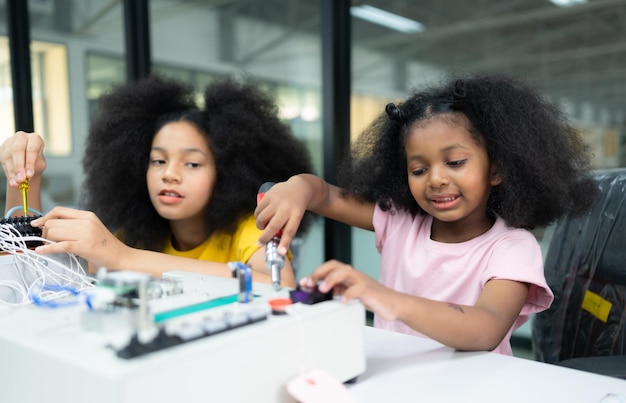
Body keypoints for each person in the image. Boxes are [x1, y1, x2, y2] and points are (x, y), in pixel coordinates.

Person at [255, 73, 600, 354]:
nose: (436, 179)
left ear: (496, 169)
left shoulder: (512, 247)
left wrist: (385, 298)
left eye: (455, 162)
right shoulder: (399, 221)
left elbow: (486, 328)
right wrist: (299, 186)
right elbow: (325, 195)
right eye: (418, 169)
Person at [1, 75, 314, 287]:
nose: (170, 174)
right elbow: (26, 269)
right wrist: (24, 178)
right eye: (158, 160)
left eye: (191, 163)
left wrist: (124, 257)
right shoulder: (136, 233)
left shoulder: (247, 228)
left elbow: (280, 284)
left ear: (228, 172)